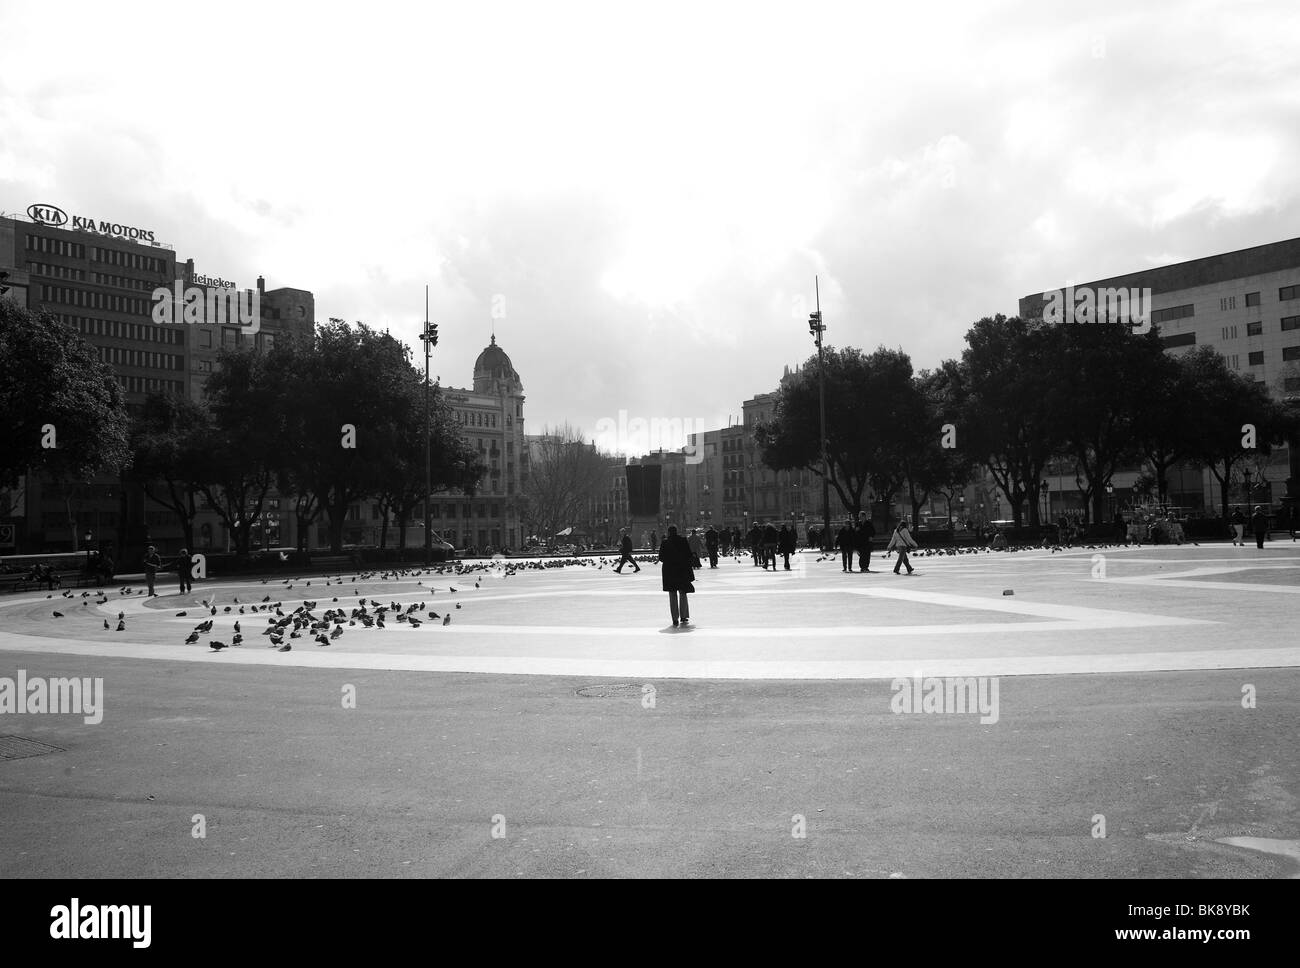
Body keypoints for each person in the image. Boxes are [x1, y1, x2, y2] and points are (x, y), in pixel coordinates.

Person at [657, 525, 695, 627]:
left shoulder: (665, 543)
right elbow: (689, 555)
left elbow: (661, 557)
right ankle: (683, 615)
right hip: (682, 571)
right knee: (683, 593)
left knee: (672, 594)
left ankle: (674, 618)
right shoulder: (683, 541)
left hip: (669, 572)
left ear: (669, 532)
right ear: (677, 531)